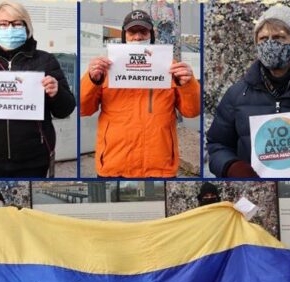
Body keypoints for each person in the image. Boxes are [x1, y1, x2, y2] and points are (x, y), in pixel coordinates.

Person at [0, 1, 76, 178]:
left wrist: (57, 93)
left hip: (34, 157)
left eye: (17, 23)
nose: (10, 28)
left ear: (27, 27)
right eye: (3, 24)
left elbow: (66, 108)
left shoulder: (45, 61)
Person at [80, 10, 201, 178]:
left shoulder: (171, 67)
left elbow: (192, 111)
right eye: (132, 32)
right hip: (114, 164)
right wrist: (92, 80)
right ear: (124, 35)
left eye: (143, 32)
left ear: (151, 35)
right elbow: (83, 110)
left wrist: (188, 84)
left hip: (160, 166)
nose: (137, 37)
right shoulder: (105, 68)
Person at [208, 5, 290, 177]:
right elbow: (217, 144)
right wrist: (230, 166)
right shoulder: (236, 94)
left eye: (279, 37)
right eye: (263, 39)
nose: (270, 44)